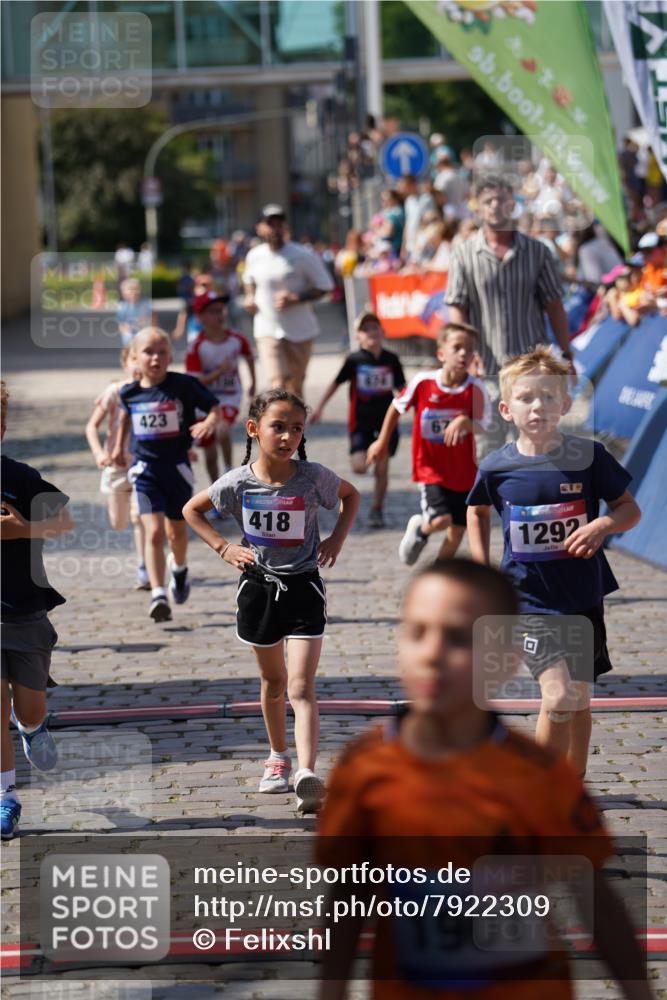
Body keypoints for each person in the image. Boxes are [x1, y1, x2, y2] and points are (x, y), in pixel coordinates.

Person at [317, 559, 654, 1000]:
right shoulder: (361, 768)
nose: (433, 653)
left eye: (458, 638)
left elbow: (595, 898)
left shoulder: (540, 773)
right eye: (418, 632)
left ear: (505, 659)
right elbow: (348, 896)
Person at [183, 389, 359, 813]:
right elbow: (192, 509)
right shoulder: (238, 482)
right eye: (278, 427)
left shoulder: (313, 476)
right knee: (274, 683)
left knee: (301, 685)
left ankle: (306, 772)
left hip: (303, 588)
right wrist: (224, 549)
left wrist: (336, 537)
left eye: (296, 428)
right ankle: (277, 758)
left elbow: (351, 496)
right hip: (259, 589)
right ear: (254, 430)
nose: (287, 436)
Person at [467, 347, 641, 776]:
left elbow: (628, 510)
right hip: (527, 601)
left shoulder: (589, 457)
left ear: (564, 404)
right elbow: (476, 510)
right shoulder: (496, 467)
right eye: (527, 397)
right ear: (507, 409)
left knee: (578, 699)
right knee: (559, 695)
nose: (538, 406)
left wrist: (602, 526)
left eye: (548, 397)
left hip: (582, 597)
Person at [445, 175, 571, 456]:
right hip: (486, 367)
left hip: (532, 367)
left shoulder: (537, 252)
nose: (495, 206)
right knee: (487, 451)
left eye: (502, 200)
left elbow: (554, 304)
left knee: (537, 447)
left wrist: (566, 352)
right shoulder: (463, 255)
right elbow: (457, 308)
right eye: (488, 201)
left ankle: (535, 500)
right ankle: (488, 502)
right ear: (477, 207)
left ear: (512, 204)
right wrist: (466, 350)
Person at [1, 381, 74, 840]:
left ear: (2, 428)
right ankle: (6, 797)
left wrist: (24, 529)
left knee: (28, 708)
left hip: (24, 613)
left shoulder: (20, 477)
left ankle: (32, 726)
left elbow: (63, 521)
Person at [112, 327, 220, 623]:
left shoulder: (183, 385)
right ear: (134, 358)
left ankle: (180, 569)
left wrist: (208, 423)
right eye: (148, 352)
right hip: (145, 470)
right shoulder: (129, 392)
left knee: (176, 533)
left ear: (171, 356)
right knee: (155, 531)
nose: (155, 358)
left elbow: (214, 406)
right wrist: (120, 449)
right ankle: (158, 592)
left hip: (177, 469)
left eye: (162, 352)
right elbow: (124, 420)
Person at [367, 322, 490, 564]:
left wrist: (466, 422)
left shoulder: (476, 388)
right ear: (441, 353)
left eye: (469, 349)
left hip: (464, 471)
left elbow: (486, 425)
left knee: (457, 531)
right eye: (457, 347)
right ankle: (421, 529)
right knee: (440, 521)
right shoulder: (423, 382)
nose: (464, 353)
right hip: (430, 468)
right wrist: (382, 442)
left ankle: (438, 572)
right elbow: (396, 407)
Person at [310, 311, 406, 529]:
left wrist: (418, 408)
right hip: (360, 423)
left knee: (382, 468)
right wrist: (320, 408)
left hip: (386, 423)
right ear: (358, 337)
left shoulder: (392, 360)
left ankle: (377, 509)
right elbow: (336, 383)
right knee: (359, 468)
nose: (371, 332)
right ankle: (372, 461)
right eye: (365, 329)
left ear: (382, 332)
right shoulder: (354, 360)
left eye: (375, 328)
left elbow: (402, 389)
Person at [242, 204, 335, 399]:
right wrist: (250, 296)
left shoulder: (302, 254)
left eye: (279, 224)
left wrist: (297, 298)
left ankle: (295, 427)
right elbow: (248, 280)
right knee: (277, 382)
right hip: (267, 328)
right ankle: (278, 427)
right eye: (270, 224)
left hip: (300, 331)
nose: (275, 228)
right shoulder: (254, 255)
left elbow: (326, 286)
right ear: (260, 228)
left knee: (295, 386)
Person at [85, 346, 148, 590]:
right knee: (119, 522)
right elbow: (91, 426)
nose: (137, 365)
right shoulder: (114, 391)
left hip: (143, 464)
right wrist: (99, 453)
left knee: (139, 517)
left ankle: (145, 567)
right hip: (116, 466)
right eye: (133, 359)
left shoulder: (154, 392)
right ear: (125, 363)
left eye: (140, 359)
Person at [185, 290, 256, 483]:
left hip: (230, 396)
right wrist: (219, 372)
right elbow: (195, 383)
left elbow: (249, 356)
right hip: (204, 402)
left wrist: (252, 383)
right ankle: (216, 488)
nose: (220, 314)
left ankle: (228, 469)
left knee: (222, 428)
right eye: (213, 311)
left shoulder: (236, 339)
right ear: (200, 317)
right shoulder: (196, 346)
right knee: (209, 453)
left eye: (221, 310)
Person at [116, 278, 155, 348]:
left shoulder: (146, 303)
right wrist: (126, 330)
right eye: (130, 290)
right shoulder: (122, 306)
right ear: (123, 293)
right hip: (130, 332)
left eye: (135, 289)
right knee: (128, 338)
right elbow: (121, 324)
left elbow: (154, 317)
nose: (133, 292)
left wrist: (153, 329)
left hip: (145, 329)